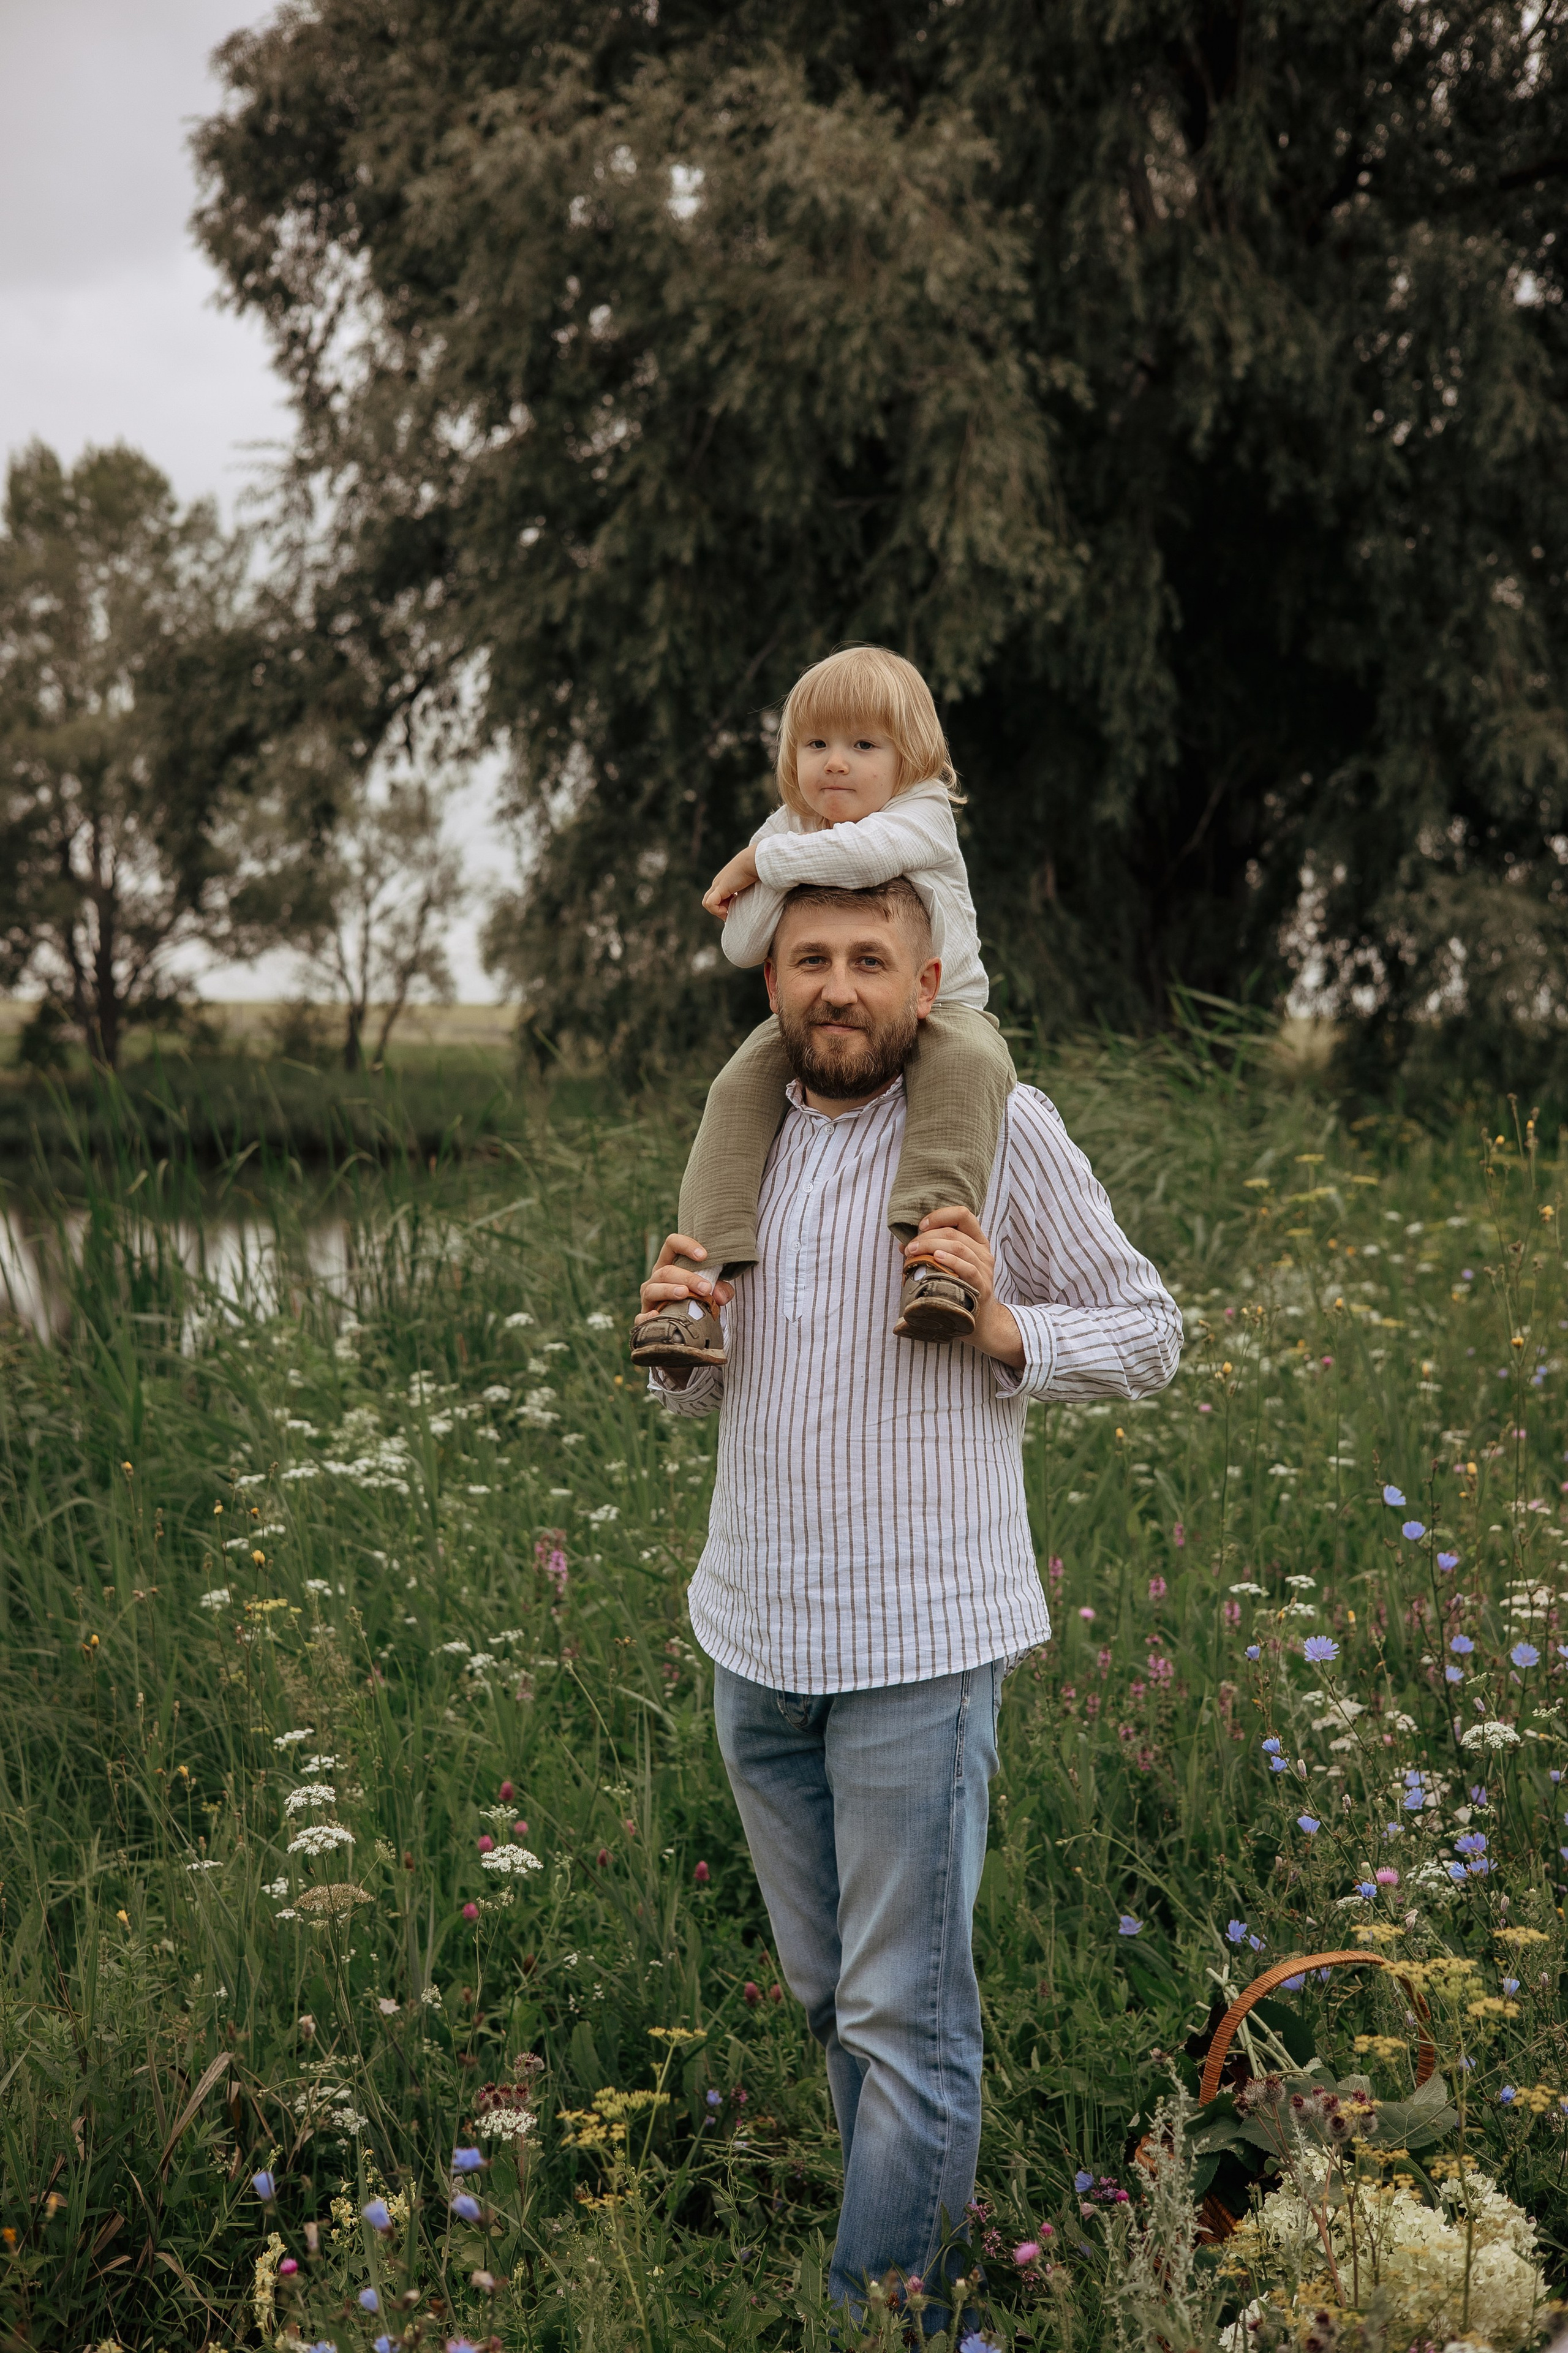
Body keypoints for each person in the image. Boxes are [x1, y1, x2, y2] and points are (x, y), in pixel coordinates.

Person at [633, 875, 1180, 2327]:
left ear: (922, 978)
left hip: (916, 1648)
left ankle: (876, 2317)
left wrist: (1002, 1320)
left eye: (868, 958)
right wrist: (673, 1346)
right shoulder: (738, 1148)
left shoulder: (999, 1128)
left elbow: (1148, 1329)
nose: (836, 984)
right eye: (808, 957)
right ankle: (908, 2277)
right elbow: (700, 1388)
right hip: (752, 1639)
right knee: (832, 2006)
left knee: (904, 2020)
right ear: (771, 984)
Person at [629, 644, 1015, 1372]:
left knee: (969, 1061)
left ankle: (935, 1260)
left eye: (863, 745)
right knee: (736, 1086)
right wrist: (770, 863)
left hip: (944, 1011)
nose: (835, 763)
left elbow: (865, 859)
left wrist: (755, 864)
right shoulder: (790, 828)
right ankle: (697, 1290)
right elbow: (745, 943)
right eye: (816, 744)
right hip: (817, 1021)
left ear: (912, 758)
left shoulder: (921, 814)